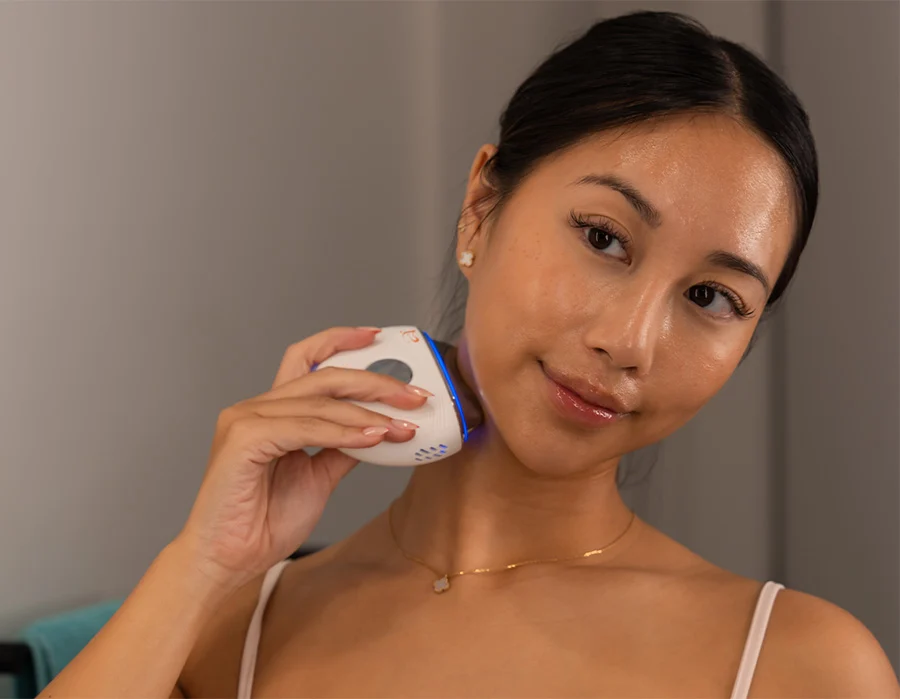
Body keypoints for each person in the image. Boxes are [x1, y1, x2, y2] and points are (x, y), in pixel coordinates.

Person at [40, 10, 900, 699]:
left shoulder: (800, 667)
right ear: (481, 206)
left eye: (712, 298)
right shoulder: (233, 631)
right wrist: (201, 565)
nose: (629, 340)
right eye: (604, 237)